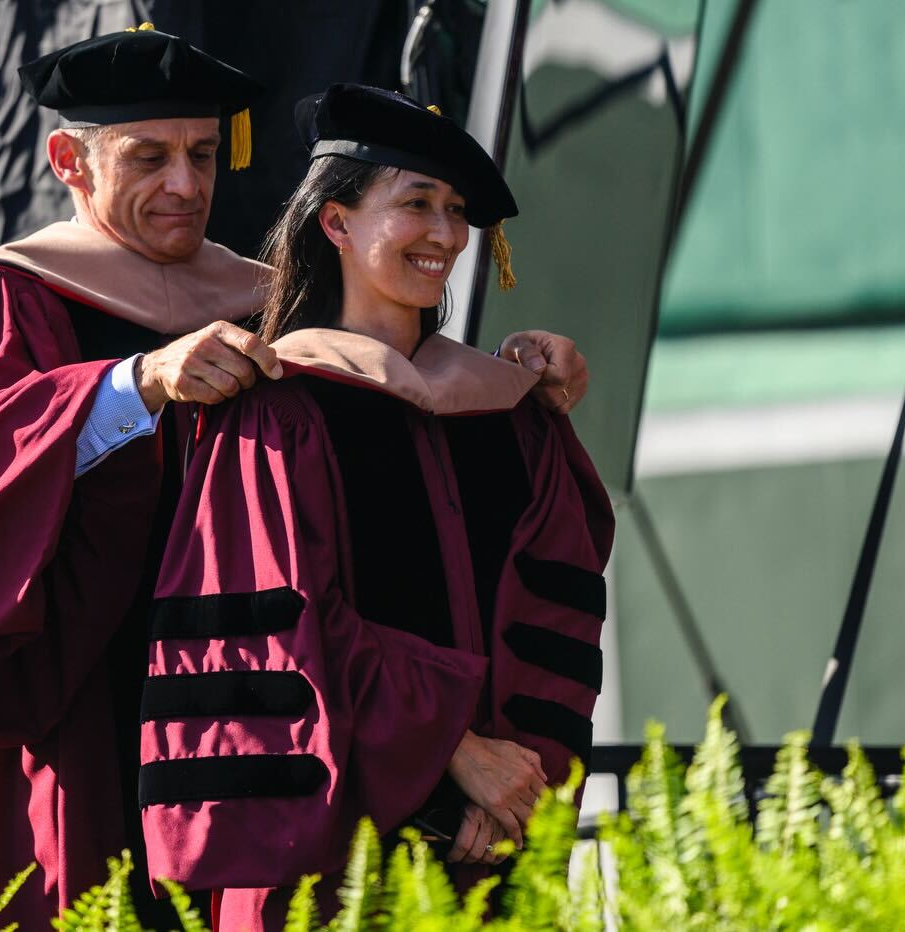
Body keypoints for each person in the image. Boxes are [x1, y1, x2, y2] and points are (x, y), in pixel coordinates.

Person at [0, 25, 591, 925]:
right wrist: (133, 385)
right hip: (88, 716)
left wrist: (515, 364)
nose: (185, 185)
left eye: (204, 154)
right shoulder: (12, 298)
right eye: (150, 156)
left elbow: (397, 427)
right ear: (68, 161)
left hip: (266, 721)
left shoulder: (265, 301)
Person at [139, 84, 614, 932]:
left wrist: (518, 790)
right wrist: (452, 759)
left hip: (497, 849)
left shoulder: (511, 414)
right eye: (416, 204)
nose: (443, 233)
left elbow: (558, 622)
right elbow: (279, 634)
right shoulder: (275, 411)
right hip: (332, 855)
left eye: (456, 209)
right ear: (338, 224)